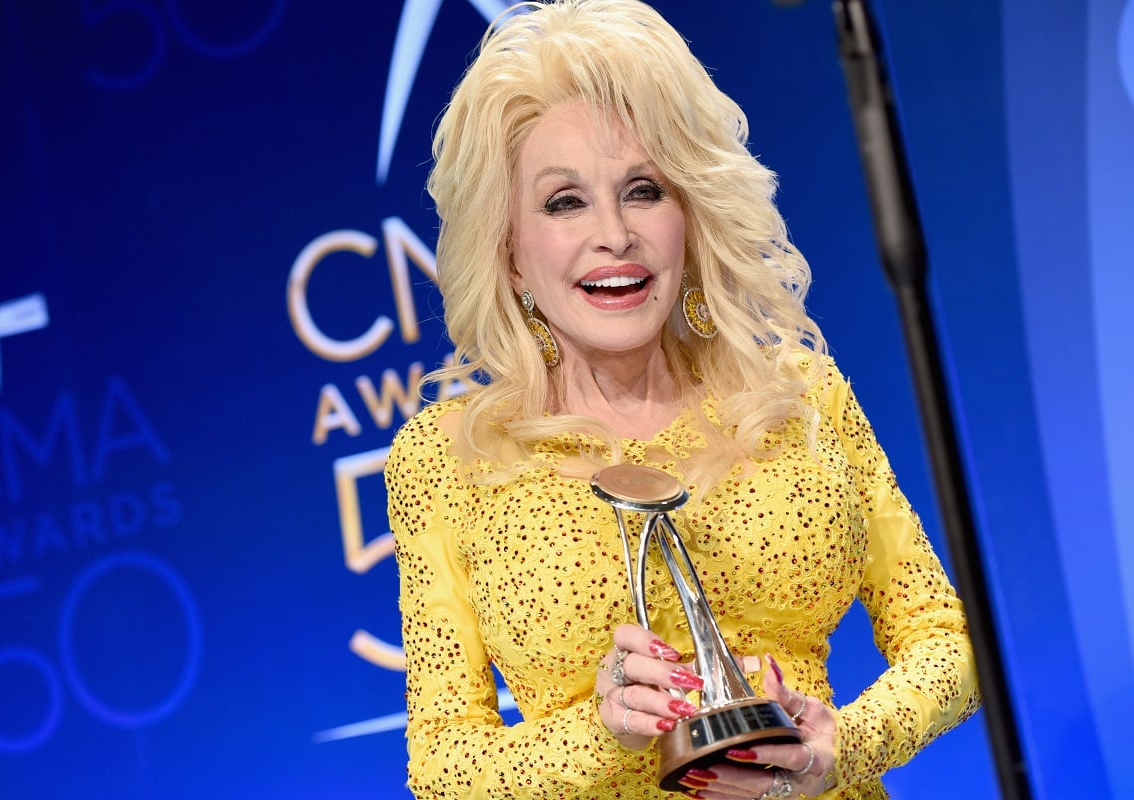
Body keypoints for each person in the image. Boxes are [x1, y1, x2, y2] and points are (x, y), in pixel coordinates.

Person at [384, 1, 980, 797]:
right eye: (565, 202)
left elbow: (948, 639)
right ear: (511, 253)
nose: (614, 235)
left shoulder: (799, 395)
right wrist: (600, 733)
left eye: (643, 190)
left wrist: (844, 745)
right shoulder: (447, 457)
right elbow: (441, 766)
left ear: (691, 214)